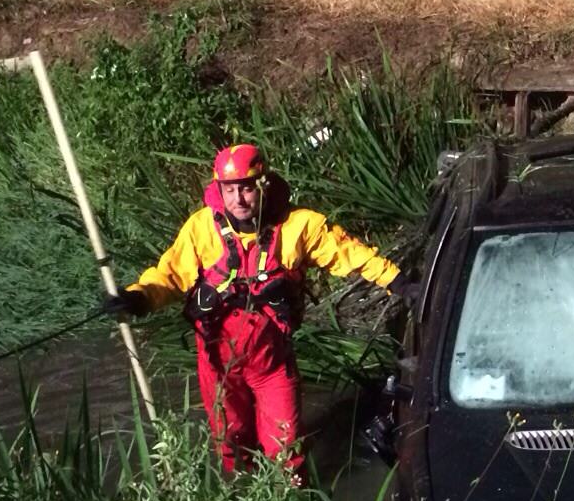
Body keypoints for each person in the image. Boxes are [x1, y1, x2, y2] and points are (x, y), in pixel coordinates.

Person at [105, 143, 411, 476]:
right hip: (217, 365)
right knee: (231, 446)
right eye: (230, 189)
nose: (238, 199)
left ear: (263, 184)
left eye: (246, 188)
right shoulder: (201, 228)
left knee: (287, 451)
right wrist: (138, 298)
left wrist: (398, 281)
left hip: (272, 364)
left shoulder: (298, 227)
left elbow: (350, 254)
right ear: (219, 189)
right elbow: (168, 276)